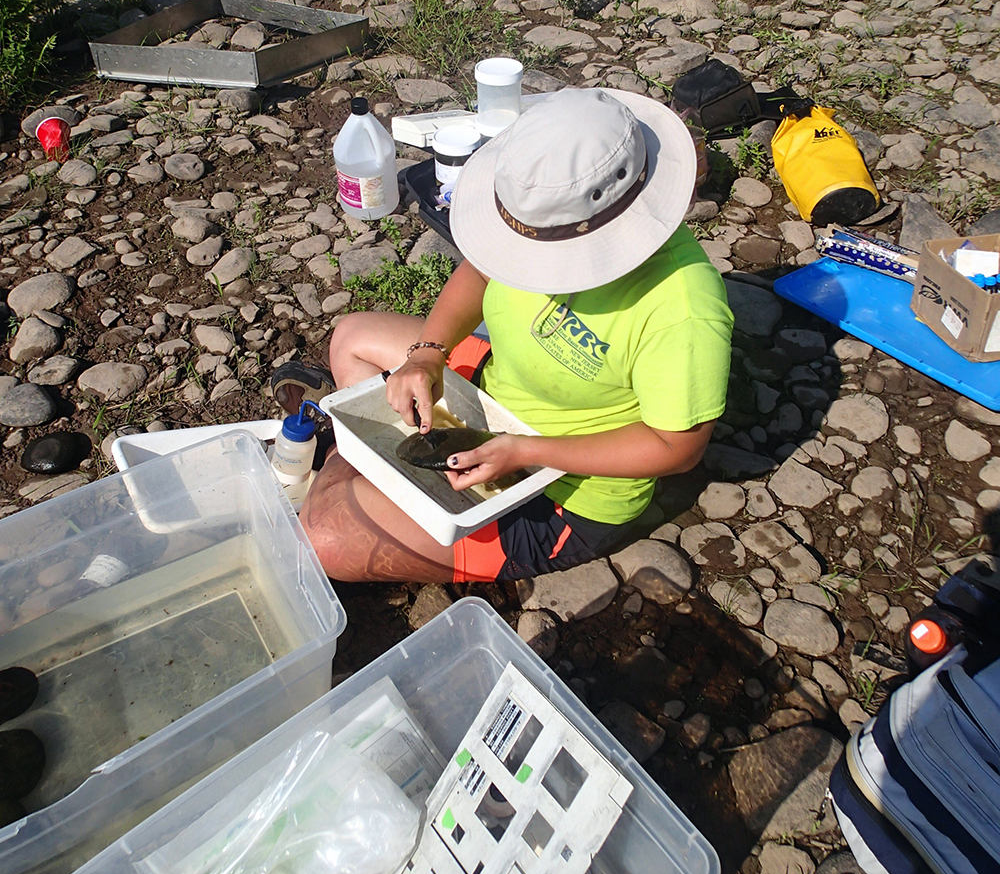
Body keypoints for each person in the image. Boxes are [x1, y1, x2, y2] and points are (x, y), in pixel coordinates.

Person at [272, 87, 734, 583]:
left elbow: (677, 447)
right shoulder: (544, 206)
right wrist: (427, 356)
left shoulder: (682, 310)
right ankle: (371, 473)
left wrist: (523, 450)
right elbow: (481, 270)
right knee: (352, 337)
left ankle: (359, 471)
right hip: (495, 387)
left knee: (324, 537)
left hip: (558, 487)